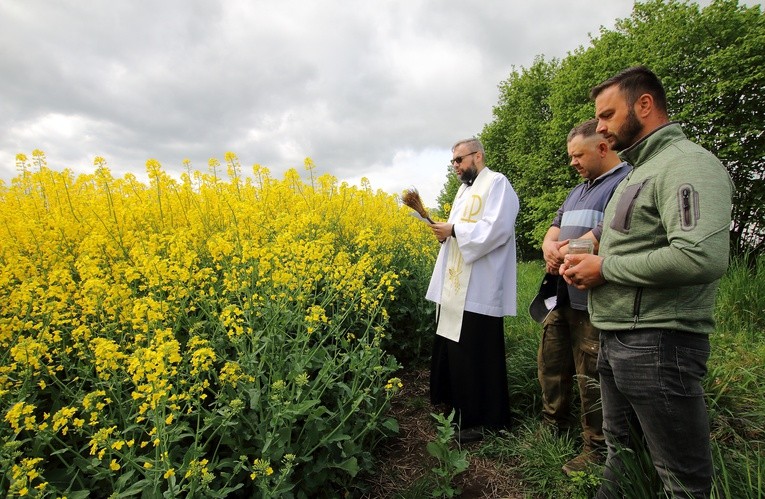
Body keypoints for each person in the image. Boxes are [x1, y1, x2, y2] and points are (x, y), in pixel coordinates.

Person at [560, 66, 733, 498]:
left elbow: (700, 255)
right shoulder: (638, 173)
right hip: (619, 337)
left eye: (607, 114)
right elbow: (627, 245)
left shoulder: (687, 163)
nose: (599, 126)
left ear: (644, 105)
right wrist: (585, 259)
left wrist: (606, 270)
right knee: (624, 455)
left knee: (682, 480)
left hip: (659, 343)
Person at [536, 118, 630, 475]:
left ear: (603, 148)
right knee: (551, 362)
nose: (572, 162)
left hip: (593, 300)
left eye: (578, 155)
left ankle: (595, 446)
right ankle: (552, 425)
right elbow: (556, 224)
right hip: (561, 294)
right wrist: (548, 245)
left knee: (590, 373)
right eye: (570, 156)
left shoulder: (625, 182)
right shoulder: (577, 189)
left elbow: (608, 232)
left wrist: (563, 250)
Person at [427, 137, 519, 443]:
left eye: (459, 160)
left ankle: (486, 420)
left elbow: (497, 228)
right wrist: (446, 233)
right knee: (458, 349)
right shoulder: (464, 190)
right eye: (452, 161)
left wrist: (453, 230)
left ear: (477, 156)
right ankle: (460, 409)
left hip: (480, 283)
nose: (455, 166)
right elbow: (458, 229)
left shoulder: (497, 183)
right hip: (458, 282)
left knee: (478, 351)